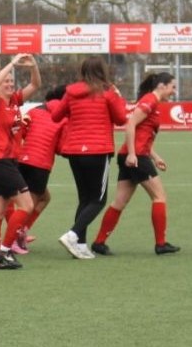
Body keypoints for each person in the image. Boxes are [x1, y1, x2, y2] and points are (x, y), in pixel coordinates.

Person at [91, 72, 181, 256]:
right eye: (173, 87)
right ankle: (161, 244)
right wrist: (133, 154)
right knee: (159, 196)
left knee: (120, 201)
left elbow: (142, 134)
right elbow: (130, 124)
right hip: (135, 156)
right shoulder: (150, 100)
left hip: (131, 155)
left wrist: (155, 157)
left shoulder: (152, 102)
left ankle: (99, 242)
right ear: (162, 86)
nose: (174, 91)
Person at [52, 56, 127, 259]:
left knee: (85, 198)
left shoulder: (70, 92)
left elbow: (55, 116)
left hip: (75, 151)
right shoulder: (107, 93)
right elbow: (121, 118)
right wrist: (118, 97)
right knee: (98, 200)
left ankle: (81, 245)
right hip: (98, 150)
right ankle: (73, 234)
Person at [0, 54, 41, 269]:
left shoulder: (15, 100)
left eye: (11, 81)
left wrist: (33, 65)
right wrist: (11, 64)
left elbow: (36, 84)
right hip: (0, 160)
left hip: (6, 160)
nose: (9, 83)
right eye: (6, 81)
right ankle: (5, 251)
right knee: (27, 205)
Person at [11, 84, 67, 254]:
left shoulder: (35, 111)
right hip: (40, 164)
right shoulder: (64, 118)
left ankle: (21, 232)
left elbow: (22, 130)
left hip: (22, 159)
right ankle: (14, 238)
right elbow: (61, 146)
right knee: (28, 205)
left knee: (43, 198)